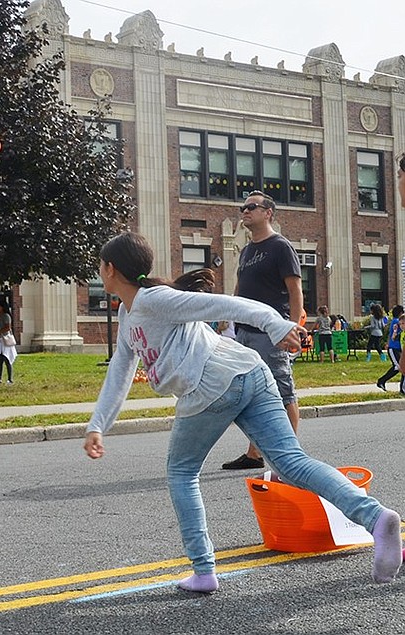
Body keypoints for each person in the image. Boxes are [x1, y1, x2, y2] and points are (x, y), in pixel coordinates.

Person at [83, 231, 401, 593]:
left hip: (210, 384)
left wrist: (277, 325)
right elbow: (120, 371)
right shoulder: (129, 316)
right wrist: (99, 423)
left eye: (99, 266)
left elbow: (231, 306)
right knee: (291, 463)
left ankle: (204, 571)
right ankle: (376, 518)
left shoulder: (155, 300)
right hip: (249, 370)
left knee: (182, 472)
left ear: (110, 269)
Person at [223, 191, 304, 471]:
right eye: (243, 207)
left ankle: (292, 458)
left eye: (251, 207)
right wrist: (230, 319)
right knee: (251, 393)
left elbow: (295, 290)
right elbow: (239, 290)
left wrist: (291, 329)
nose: (244, 211)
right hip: (244, 333)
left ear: (268, 212)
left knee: (282, 392)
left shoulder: (280, 246)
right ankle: (254, 454)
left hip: (271, 334)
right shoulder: (247, 251)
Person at [376, 305, 404, 393]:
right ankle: (382, 381)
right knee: (398, 366)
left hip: (397, 348)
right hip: (393, 348)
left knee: (402, 367)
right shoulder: (397, 322)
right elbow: (394, 334)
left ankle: (401, 388)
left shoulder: (395, 321)